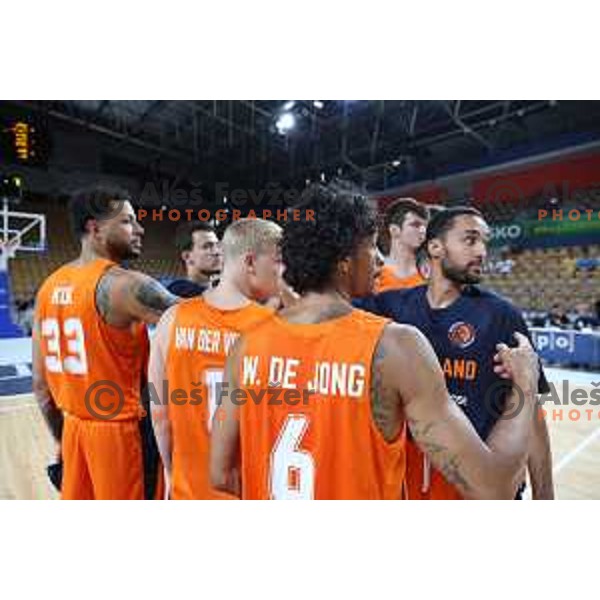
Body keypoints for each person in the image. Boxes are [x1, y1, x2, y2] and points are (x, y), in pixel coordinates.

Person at [210, 183, 540, 500]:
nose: (379, 261)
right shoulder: (396, 346)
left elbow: (220, 475)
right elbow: (491, 489)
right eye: (371, 246)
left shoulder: (246, 346)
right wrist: (524, 384)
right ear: (345, 260)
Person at [355, 207, 553, 499]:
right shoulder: (389, 307)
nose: (482, 251)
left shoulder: (502, 317)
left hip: (479, 488)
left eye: (485, 242)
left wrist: (545, 495)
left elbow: (529, 410)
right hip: (405, 488)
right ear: (435, 247)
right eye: (470, 240)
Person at [32, 184, 179, 500]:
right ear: (94, 228)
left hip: (74, 432)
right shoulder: (124, 285)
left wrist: (63, 440)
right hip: (123, 436)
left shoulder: (48, 287)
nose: (139, 229)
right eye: (127, 221)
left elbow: (41, 388)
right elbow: (203, 321)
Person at [150, 218, 283, 499]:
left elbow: (160, 413)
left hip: (190, 488)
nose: (282, 271)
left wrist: (171, 472)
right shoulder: (274, 327)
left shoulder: (171, 319)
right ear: (250, 262)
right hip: (247, 489)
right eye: (278, 261)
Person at [375, 198, 428, 292]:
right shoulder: (374, 278)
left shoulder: (432, 275)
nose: (422, 230)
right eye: (415, 225)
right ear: (394, 230)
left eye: (424, 226)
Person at [167, 221, 222, 298]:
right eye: (207, 247)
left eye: (218, 245)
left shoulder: (223, 291)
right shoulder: (174, 295)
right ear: (187, 256)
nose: (217, 252)